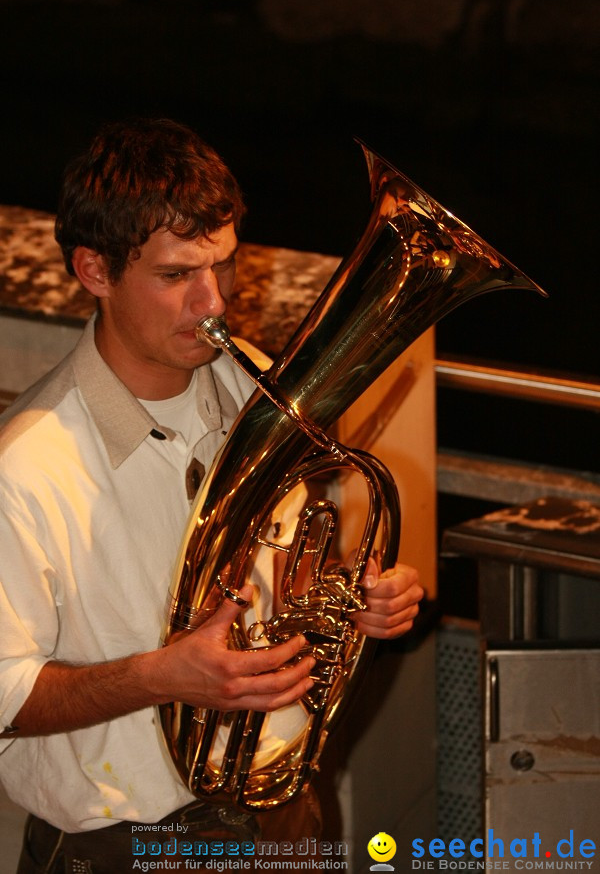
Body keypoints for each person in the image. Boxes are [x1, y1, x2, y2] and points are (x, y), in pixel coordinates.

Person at [0, 118, 423, 873]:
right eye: (175, 276)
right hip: (127, 848)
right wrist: (156, 677)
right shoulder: (25, 467)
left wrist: (354, 600)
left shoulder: (254, 383)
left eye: (225, 265)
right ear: (94, 271)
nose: (213, 302)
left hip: (286, 811)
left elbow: (286, 570)